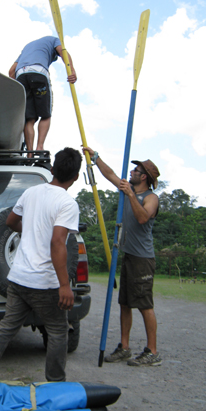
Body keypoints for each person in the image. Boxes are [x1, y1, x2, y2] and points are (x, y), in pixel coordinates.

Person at [0, 147, 82, 381]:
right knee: (57, 331)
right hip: (45, 283)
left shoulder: (31, 193)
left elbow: (11, 221)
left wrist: (31, 231)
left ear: (52, 169)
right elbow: (57, 243)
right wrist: (65, 285)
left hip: (18, 278)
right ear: (76, 177)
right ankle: (55, 384)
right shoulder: (67, 204)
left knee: (6, 328)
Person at [83, 146, 162, 367]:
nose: (131, 172)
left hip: (143, 259)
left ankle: (152, 352)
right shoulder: (128, 189)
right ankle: (124, 347)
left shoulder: (151, 197)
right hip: (128, 255)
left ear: (144, 176)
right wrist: (95, 157)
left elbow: (142, 218)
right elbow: (110, 175)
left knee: (145, 304)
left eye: (136, 170)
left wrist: (129, 195)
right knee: (125, 303)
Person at [9, 36, 77, 158]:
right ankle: (39, 147)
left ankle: (29, 153)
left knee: (29, 118)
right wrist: (71, 70)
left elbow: (11, 71)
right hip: (38, 72)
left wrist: (16, 91)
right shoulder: (54, 40)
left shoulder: (27, 47)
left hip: (21, 76)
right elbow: (63, 52)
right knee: (46, 114)